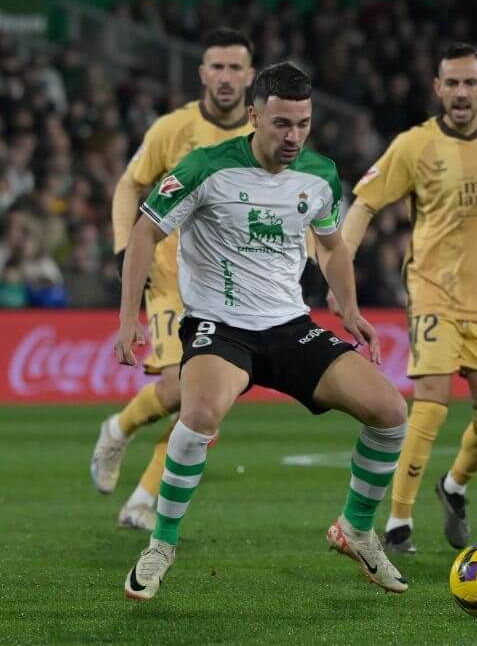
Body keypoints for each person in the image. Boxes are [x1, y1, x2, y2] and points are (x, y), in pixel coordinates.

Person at [116, 62, 409, 601]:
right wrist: (128, 315)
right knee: (200, 413)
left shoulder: (320, 176)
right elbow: (144, 232)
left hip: (290, 325)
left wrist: (348, 308)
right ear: (254, 117)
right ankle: (162, 542)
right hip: (220, 328)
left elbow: (333, 244)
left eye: (303, 124)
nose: (294, 136)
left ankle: (355, 527)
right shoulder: (205, 168)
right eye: (282, 124)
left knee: (391, 412)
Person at [337, 43, 477, 554]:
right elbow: (365, 203)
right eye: (451, 83)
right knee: (430, 407)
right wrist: (339, 268)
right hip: (433, 294)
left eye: (469, 83)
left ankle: (454, 486)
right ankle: (397, 523)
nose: (460, 93)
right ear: (438, 89)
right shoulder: (414, 146)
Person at [91, 28, 256, 531]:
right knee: (183, 390)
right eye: (217, 67)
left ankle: (140, 496)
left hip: (234, 292)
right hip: (171, 281)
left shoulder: (261, 133)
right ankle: (119, 429)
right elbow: (130, 185)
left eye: (235, 69)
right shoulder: (173, 129)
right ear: (202, 73)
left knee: (207, 410)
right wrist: (126, 248)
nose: (226, 78)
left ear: (251, 76)